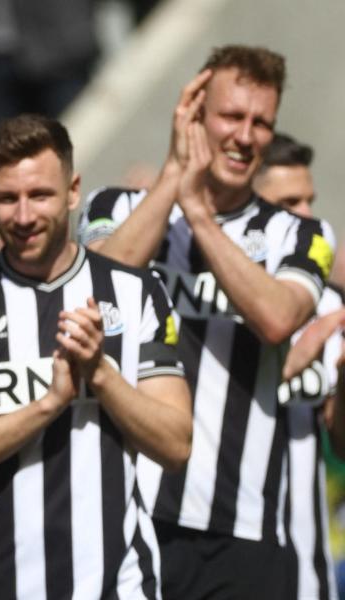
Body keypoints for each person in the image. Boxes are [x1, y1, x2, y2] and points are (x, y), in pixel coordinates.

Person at [79, 46, 335, 598]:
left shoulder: (301, 235)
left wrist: (198, 211)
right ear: (194, 115)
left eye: (261, 122)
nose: (246, 135)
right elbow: (96, 287)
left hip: (244, 530)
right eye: (231, 116)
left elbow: (274, 318)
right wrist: (176, 178)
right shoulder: (115, 206)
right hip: (131, 511)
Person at [0, 114, 190, 599]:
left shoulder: (135, 292)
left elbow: (175, 445)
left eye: (40, 195)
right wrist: (50, 402)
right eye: (8, 198)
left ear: (72, 191)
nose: (23, 216)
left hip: (120, 584)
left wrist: (101, 375)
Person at [254, 132, 341, 599]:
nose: (306, 215)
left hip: (307, 573)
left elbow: (342, 444)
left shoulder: (329, 306)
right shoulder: (202, 302)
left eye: (310, 200)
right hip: (212, 563)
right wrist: (286, 365)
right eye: (290, 203)